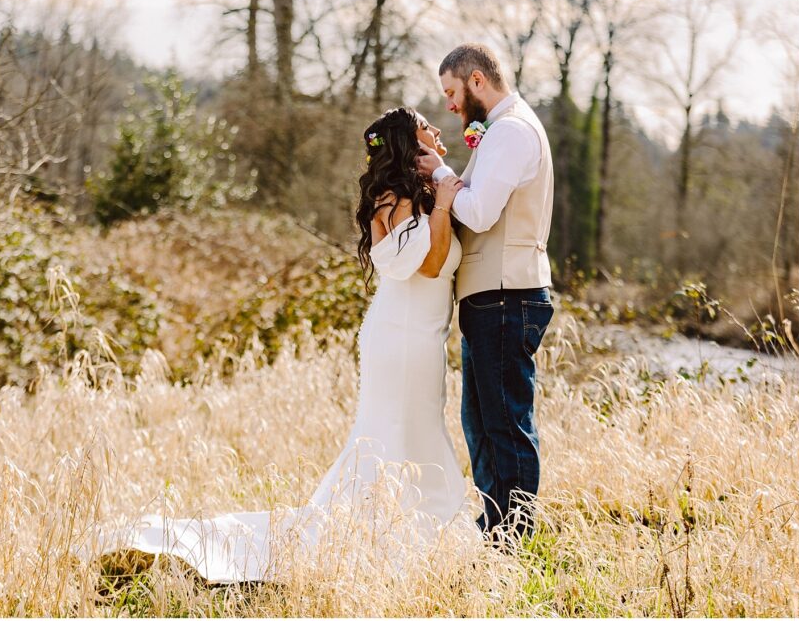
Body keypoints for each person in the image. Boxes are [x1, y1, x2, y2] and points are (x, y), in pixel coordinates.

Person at [72, 107, 479, 584]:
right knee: (399, 435)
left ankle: (414, 537)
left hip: (423, 338)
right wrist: (445, 204)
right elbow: (429, 266)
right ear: (410, 141)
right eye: (426, 126)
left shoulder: (424, 195)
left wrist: (444, 191)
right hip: (401, 339)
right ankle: (396, 541)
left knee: (414, 433)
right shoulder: (396, 199)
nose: (437, 130)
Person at [416, 42, 556, 542]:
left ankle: (513, 539)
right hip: (492, 295)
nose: (450, 104)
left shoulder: (512, 131)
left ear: (477, 80)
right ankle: (494, 528)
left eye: (452, 91)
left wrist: (440, 175)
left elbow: (478, 213)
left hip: (507, 294)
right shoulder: (500, 131)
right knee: (480, 421)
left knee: (504, 423)